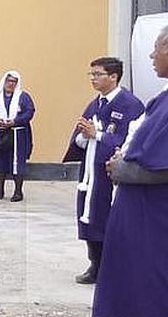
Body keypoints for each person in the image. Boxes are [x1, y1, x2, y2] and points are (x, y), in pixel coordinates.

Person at [94, 21, 168, 317]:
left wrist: (124, 169)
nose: (151, 55)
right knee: (161, 307)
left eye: (157, 48)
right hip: (160, 226)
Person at [62, 57, 144, 284]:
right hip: (90, 173)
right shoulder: (95, 103)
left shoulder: (130, 105)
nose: (93, 79)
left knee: (109, 219)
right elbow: (81, 133)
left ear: (113, 77)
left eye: (98, 74)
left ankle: (114, 268)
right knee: (89, 218)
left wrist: (97, 135)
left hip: (111, 174)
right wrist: (82, 136)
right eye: (91, 74)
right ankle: (95, 264)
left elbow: (130, 139)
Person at [0, 71, 35, 201]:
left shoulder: (23, 97)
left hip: (17, 134)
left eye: (14, 81)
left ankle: (18, 192)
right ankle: (0, 190)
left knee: (17, 163)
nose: (10, 84)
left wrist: (15, 121)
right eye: (9, 81)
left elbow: (30, 111)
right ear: (4, 81)